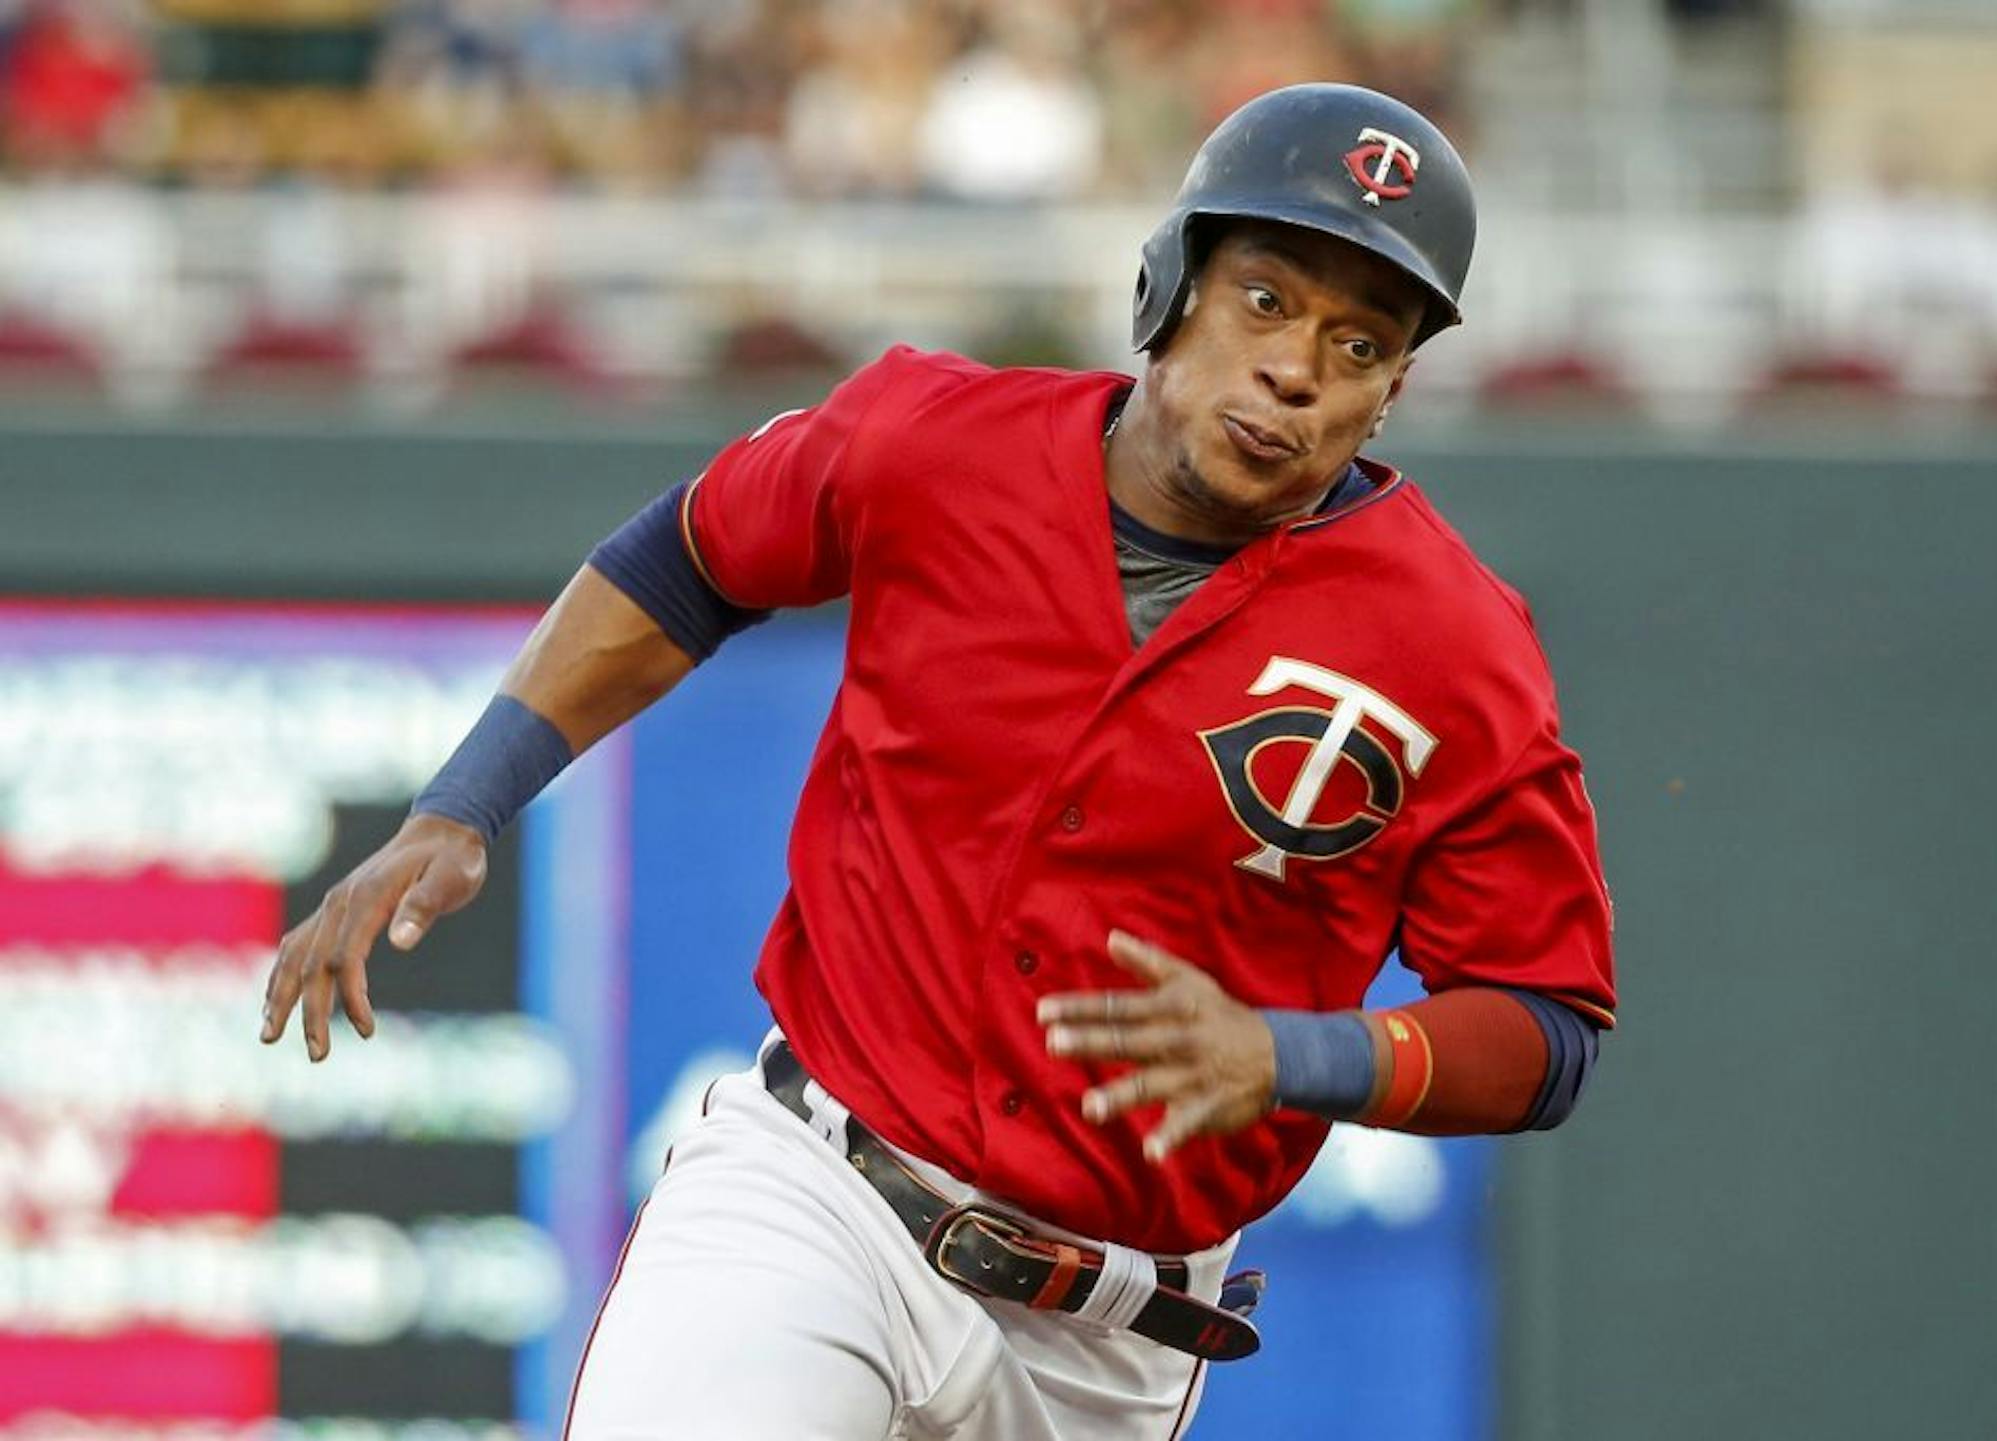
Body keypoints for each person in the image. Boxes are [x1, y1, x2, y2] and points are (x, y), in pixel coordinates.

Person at [259, 82, 1617, 1441]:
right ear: (1171, 284)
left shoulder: (1451, 645)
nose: (1297, 368)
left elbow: (1548, 1029)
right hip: (818, 1200)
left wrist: (1302, 1054)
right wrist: (469, 795)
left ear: (1390, 394)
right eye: (1266, 298)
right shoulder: (939, 444)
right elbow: (693, 554)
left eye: (1361, 341)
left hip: (1109, 1341)